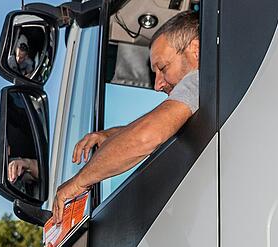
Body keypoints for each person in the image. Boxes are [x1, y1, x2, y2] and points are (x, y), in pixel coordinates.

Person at [52, 11, 200, 223]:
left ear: (195, 49)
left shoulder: (198, 79)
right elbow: (161, 126)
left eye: (163, 68)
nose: (158, 85)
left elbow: (146, 136)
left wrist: (78, 182)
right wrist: (113, 136)